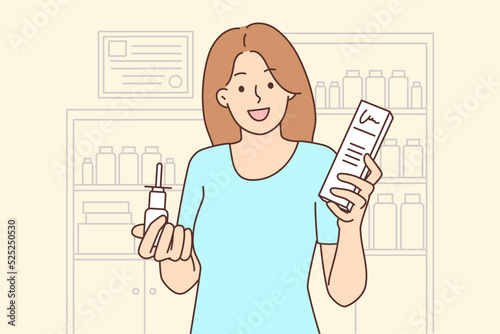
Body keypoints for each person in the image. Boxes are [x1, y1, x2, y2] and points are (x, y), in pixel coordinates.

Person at [131, 22, 382, 333]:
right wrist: (170, 253)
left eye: (271, 84)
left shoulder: (318, 164)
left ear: (290, 90)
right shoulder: (205, 166)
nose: (257, 97)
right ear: (223, 97)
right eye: (241, 87)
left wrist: (350, 225)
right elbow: (182, 282)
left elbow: (344, 293)